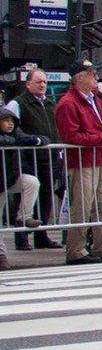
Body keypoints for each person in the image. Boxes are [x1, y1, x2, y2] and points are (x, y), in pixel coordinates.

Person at [54, 60, 102, 264]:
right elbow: (71, 137)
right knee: (82, 206)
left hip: (98, 158)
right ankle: (76, 250)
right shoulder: (68, 104)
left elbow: (101, 115)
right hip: (82, 161)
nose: (96, 77)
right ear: (80, 78)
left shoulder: (94, 99)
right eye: (92, 74)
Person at [9, 68, 61, 251]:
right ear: (28, 83)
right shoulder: (18, 103)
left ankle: (41, 236)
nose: (42, 85)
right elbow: (10, 127)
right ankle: (21, 238)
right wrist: (32, 140)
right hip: (28, 158)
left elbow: (54, 130)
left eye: (45, 82)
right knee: (25, 198)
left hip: (48, 158)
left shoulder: (48, 103)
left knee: (46, 198)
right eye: (38, 81)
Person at [0, 103, 48, 268]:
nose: (10, 123)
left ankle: (23, 218)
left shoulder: (15, 133)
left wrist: (38, 139)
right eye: (5, 120)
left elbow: (38, 138)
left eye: (12, 120)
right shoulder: (10, 137)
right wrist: (21, 140)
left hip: (10, 178)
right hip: (1, 181)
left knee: (31, 182)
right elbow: (10, 141)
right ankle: (1, 256)